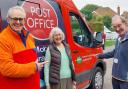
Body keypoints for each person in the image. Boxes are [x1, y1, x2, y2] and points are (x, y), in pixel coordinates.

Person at [0, 6, 47, 89]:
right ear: (8, 20)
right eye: (14, 19)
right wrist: (34, 67)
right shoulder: (3, 39)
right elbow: (6, 68)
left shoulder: (29, 37)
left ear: (25, 20)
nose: (18, 22)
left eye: (21, 19)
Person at [97, 15, 128, 89]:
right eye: (114, 27)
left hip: (125, 81)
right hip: (115, 78)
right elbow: (114, 52)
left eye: (119, 25)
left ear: (125, 23)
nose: (117, 29)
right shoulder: (118, 38)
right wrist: (99, 55)